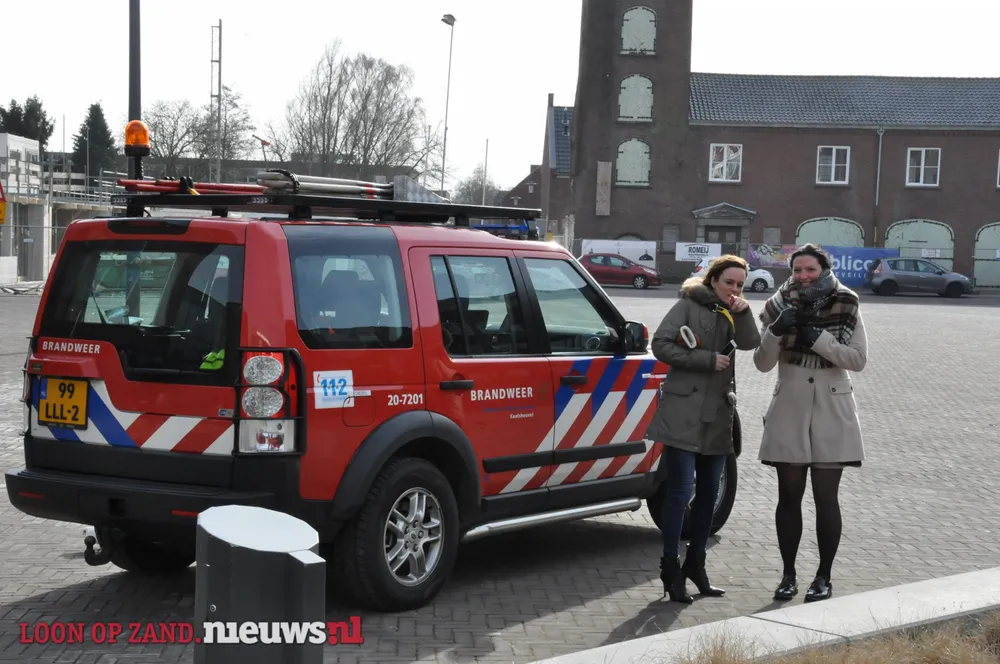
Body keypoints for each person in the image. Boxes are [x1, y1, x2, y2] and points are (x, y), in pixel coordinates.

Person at [754, 243, 867, 603]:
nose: (803, 277)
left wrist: (818, 339)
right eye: (797, 270)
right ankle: (788, 575)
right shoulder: (777, 305)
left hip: (832, 410)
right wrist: (775, 330)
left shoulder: (846, 302)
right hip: (789, 408)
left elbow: (857, 359)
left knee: (825, 499)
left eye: (810, 270)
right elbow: (761, 363)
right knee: (788, 497)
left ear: (824, 270)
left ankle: (823, 577)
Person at [646, 255, 761, 603]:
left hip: (717, 414)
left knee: (709, 493)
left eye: (740, 284)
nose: (734, 289)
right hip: (683, 411)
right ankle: (670, 567)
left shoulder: (733, 311)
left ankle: (696, 565)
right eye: (729, 282)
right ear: (713, 280)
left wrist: (744, 312)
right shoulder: (688, 304)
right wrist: (706, 360)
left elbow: (750, 343)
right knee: (681, 491)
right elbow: (660, 344)